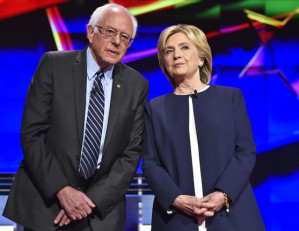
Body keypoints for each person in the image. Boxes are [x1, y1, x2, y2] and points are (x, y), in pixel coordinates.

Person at [3, 3, 149, 231]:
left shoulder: (136, 85)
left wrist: (88, 202)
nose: (117, 41)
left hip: (100, 213)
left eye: (125, 37)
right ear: (91, 32)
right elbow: (33, 134)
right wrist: (62, 190)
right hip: (46, 203)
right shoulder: (53, 65)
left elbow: (130, 154)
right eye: (110, 32)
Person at [142, 24, 265, 231]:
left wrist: (223, 193)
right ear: (164, 62)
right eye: (169, 51)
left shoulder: (230, 98)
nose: (176, 55)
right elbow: (150, 163)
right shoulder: (154, 109)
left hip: (231, 214)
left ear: (201, 58)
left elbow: (245, 151)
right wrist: (177, 198)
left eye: (184, 47)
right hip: (176, 219)